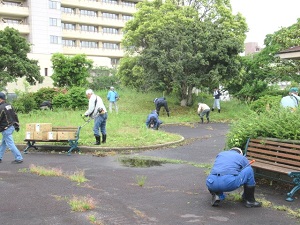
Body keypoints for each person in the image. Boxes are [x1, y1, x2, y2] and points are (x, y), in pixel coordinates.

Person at [0, 92, 23, 164]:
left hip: (6, 128)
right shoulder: (9, 105)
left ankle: (19, 158)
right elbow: (15, 115)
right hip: (12, 126)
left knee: (10, 144)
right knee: (3, 143)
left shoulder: (1, 107)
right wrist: (17, 124)